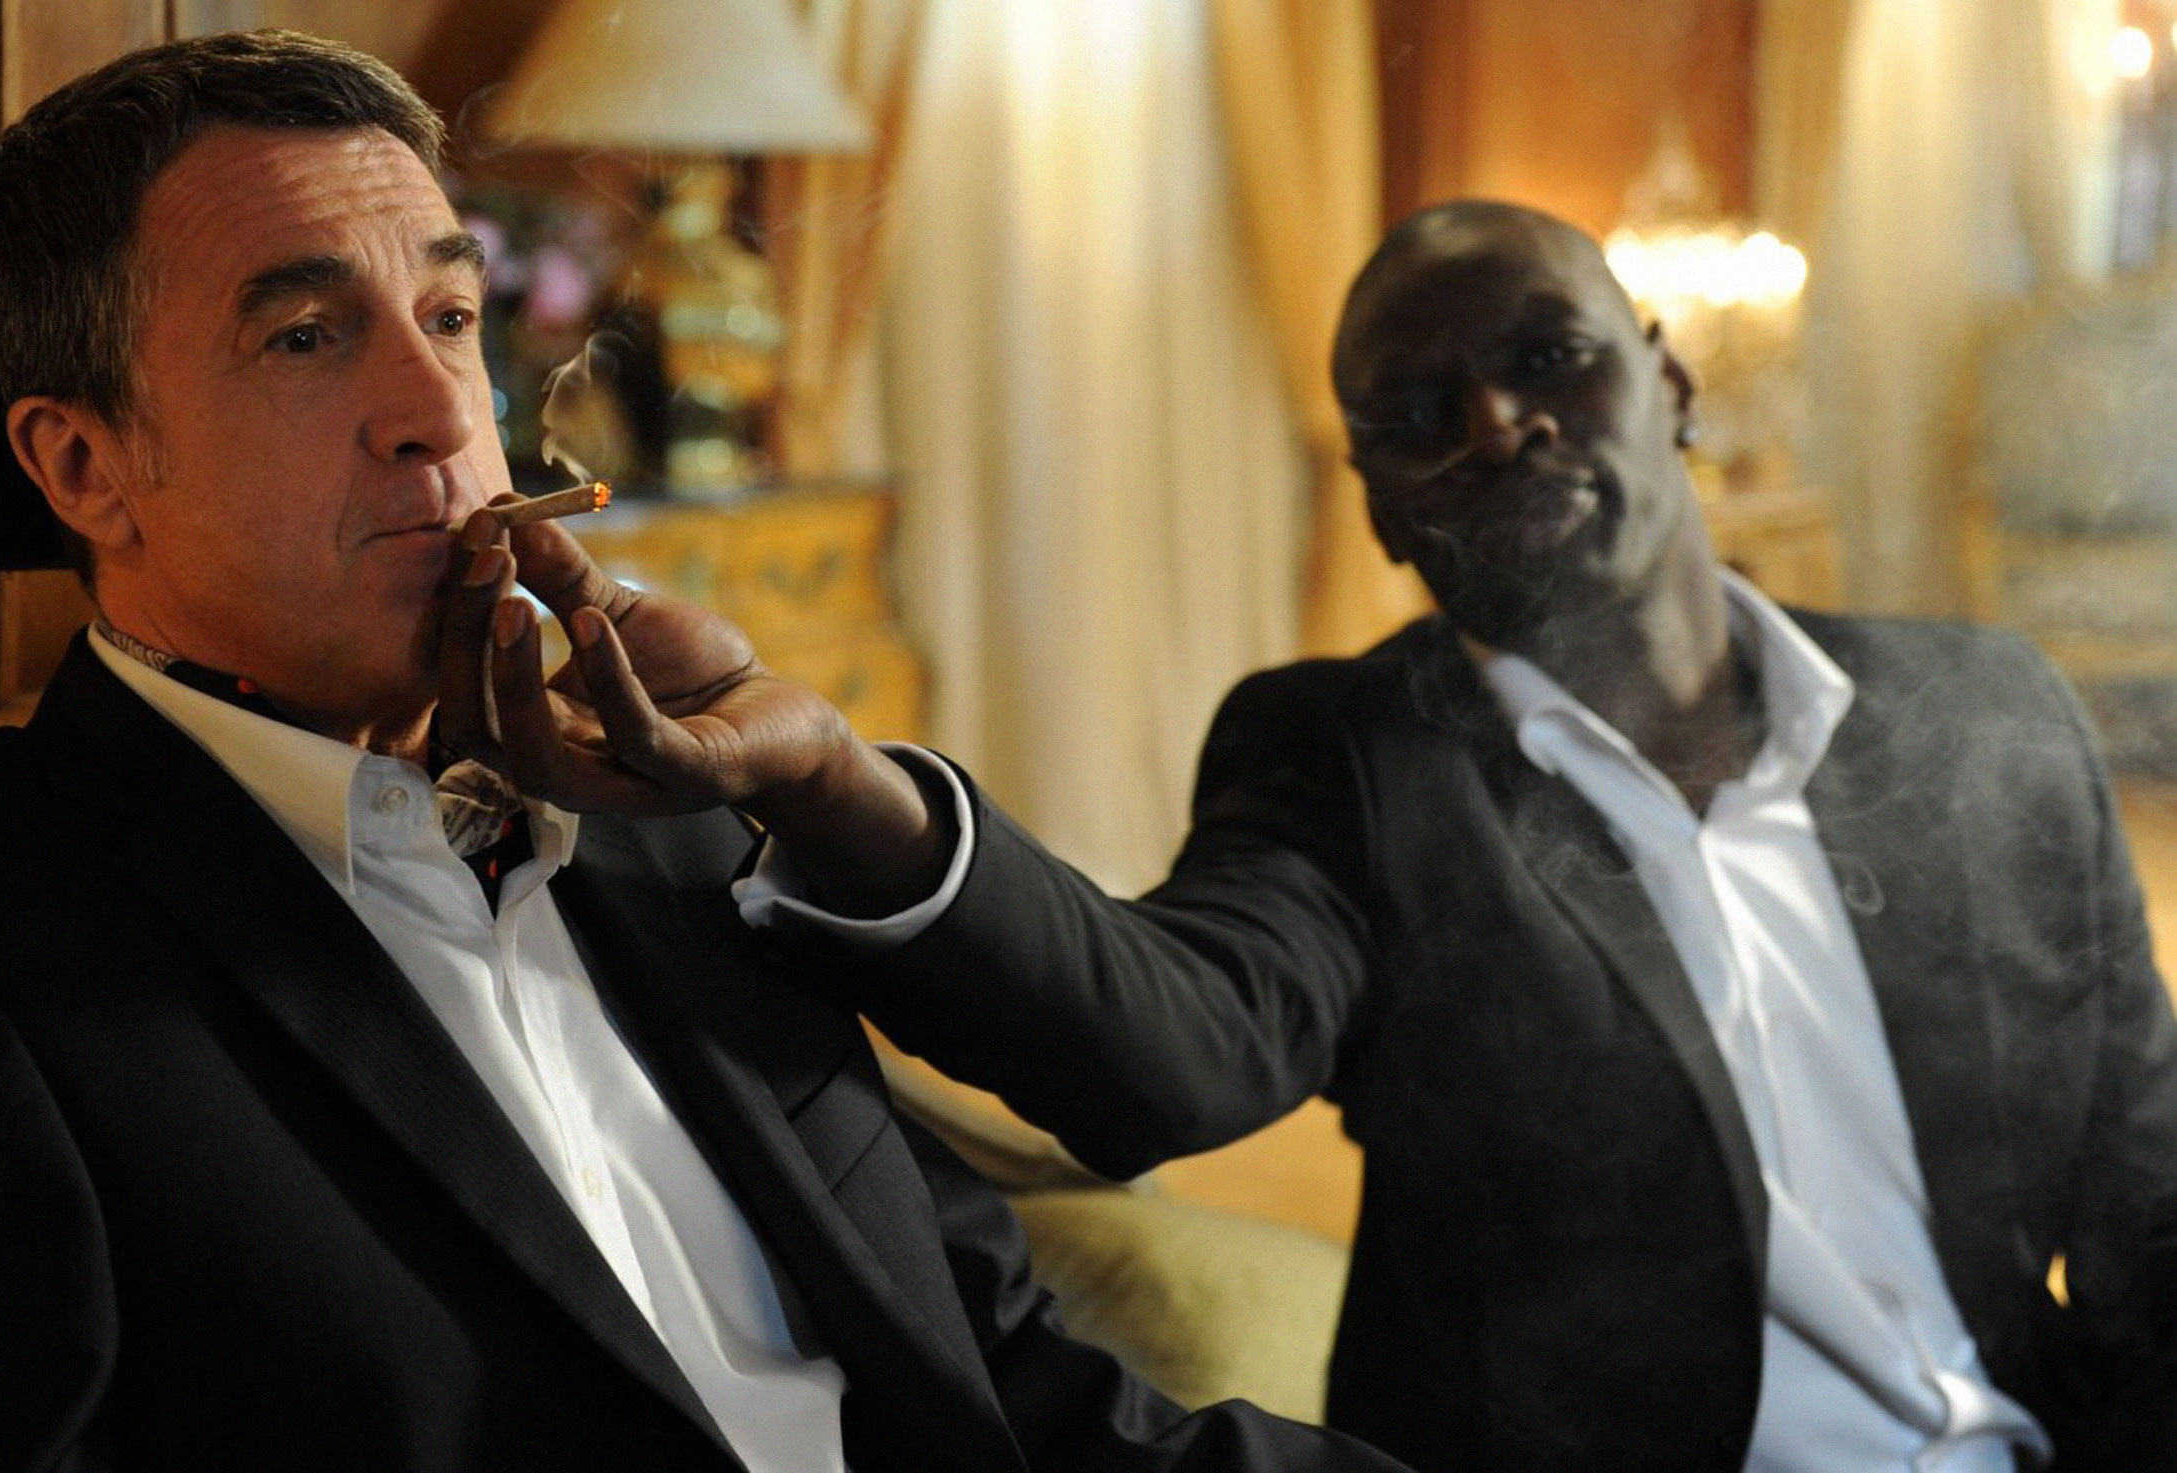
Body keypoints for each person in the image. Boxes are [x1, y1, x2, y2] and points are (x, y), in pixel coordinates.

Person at [0, 30, 1412, 1473]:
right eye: (305, 336)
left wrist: (830, 776)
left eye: (450, 317)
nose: (445, 412)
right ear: (84, 465)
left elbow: (997, 1373)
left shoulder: (659, 807)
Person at [803, 203, 2177, 1470]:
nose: (1498, 424)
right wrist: (856, 803)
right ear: (1381, 507)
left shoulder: (1984, 714)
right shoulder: (1351, 761)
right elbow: (1177, 1048)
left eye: (1550, 357)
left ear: (1672, 383)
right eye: (1417, 412)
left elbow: (2147, 1194)